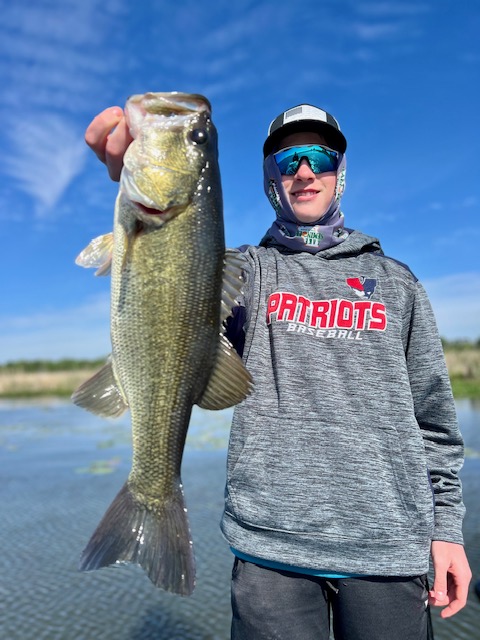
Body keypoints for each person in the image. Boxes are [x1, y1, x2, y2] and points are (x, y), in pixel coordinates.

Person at [85, 101, 472, 639]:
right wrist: (134, 187)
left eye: (319, 157)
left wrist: (447, 530)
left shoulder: (398, 281)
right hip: (270, 550)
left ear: (340, 171)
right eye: (288, 161)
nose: (305, 172)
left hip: (390, 548)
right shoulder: (246, 272)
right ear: (271, 178)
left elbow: (434, 420)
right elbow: (176, 303)